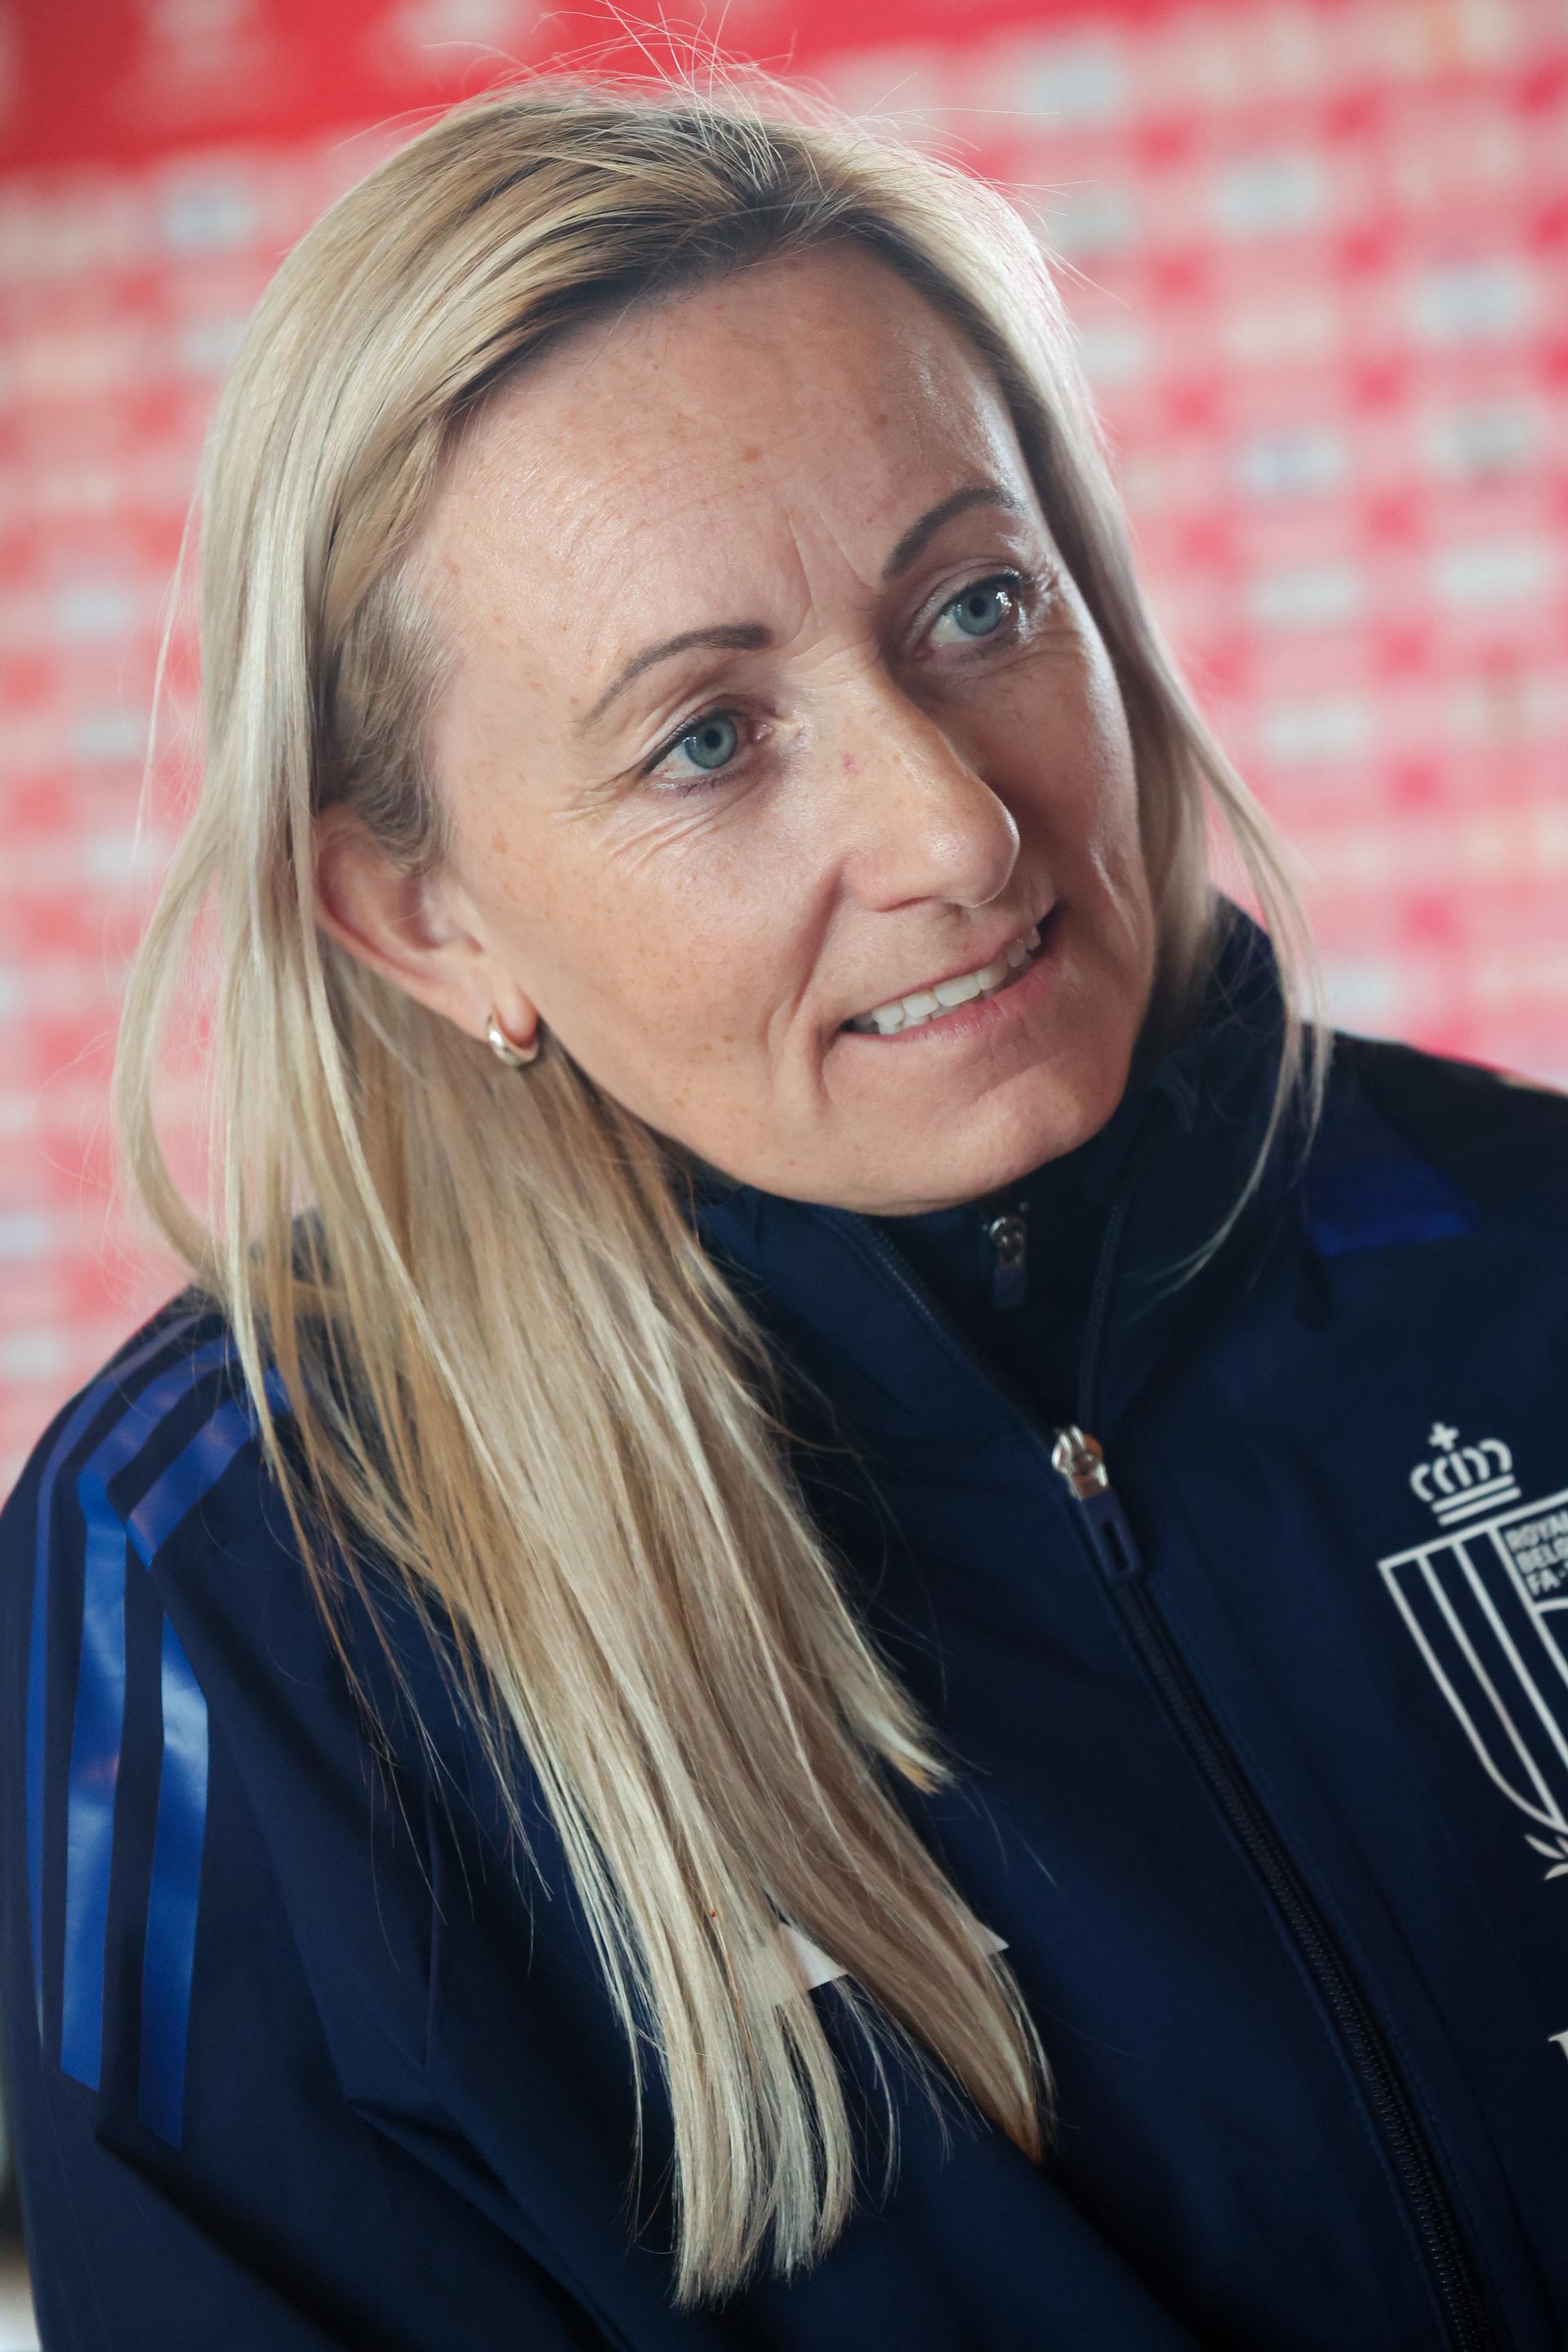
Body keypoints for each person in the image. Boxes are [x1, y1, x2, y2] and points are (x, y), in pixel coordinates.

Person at [1, 68, 1563, 2352]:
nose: (954, 830)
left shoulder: (1520, 1250)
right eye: (707, 741)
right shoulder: (242, 1586)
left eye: (976, 606)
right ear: (428, 922)